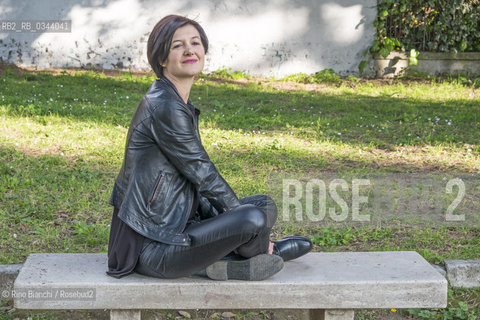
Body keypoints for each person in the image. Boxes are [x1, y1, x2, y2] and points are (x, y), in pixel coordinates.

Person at [107, 14, 312, 281]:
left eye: (195, 42)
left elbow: (190, 180)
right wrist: (241, 219)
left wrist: (233, 218)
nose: (190, 50)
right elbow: (203, 174)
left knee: (263, 206)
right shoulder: (165, 107)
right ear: (162, 58)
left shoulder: (173, 99)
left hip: (179, 224)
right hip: (154, 247)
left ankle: (232, 258)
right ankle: (261, 251)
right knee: (251, 218)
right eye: (177, 45)